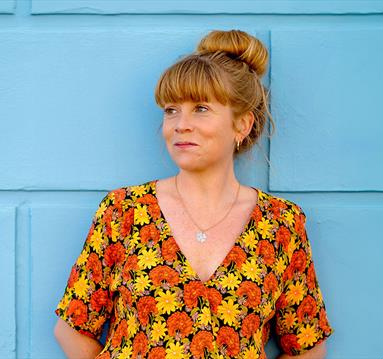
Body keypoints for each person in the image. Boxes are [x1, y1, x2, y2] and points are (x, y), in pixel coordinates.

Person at [54, 29, 334, 359]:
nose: (180, 124)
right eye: (171, 110)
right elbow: (73, 327)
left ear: (242, 125)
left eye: (200, 108)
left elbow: (306, 345)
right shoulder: (123, 212)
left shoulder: (280, 224)